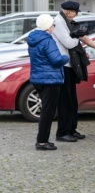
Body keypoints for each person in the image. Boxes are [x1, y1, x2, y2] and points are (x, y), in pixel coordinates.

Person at [52, 1, 95, 142]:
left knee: (73, 101)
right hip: (63, 66)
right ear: (70, 12)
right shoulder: (59, 22)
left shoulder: (68, 21)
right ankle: (62, 132)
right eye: (75, 12)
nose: (76, 15)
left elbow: (80, 36)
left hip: (70, 66)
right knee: (65, 101)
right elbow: (69, 43)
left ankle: (71, 129)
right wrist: (76, 36)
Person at [28, 14, 69, 150]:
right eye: (52, 25)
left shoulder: (33, 39)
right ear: (48, 27)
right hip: (50, 80)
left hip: (38, 79)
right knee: (48, 112)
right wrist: (65, 57)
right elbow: (56, 60)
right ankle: (42, 141)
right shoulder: (48, 40)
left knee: (46, 109)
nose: (53, 27)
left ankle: (42, 140)